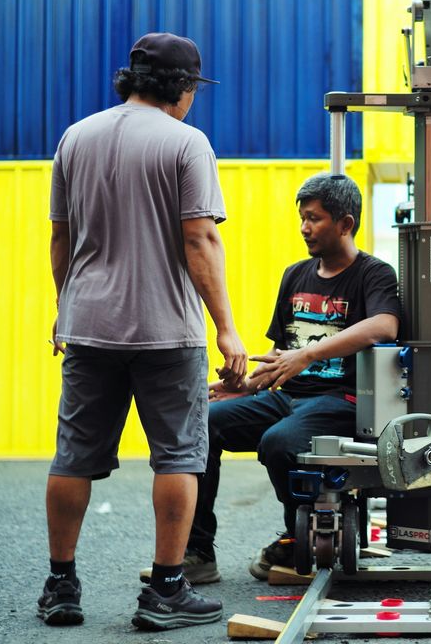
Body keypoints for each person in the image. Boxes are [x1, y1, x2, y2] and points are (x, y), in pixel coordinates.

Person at [41, 32, 247, 631]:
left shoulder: (76, 137)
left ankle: (61, 585)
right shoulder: (187, 144)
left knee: (74, 456)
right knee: (179, 457)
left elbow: (61, 237)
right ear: (181, 88)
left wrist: (66, 304)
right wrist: (227, 329)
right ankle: (166, 590)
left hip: (89, 326)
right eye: (192, 90)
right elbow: (200, 238)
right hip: (166, 330)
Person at [176, 173, 401, 584]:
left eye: (314, 219)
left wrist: (309, 354)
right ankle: (197, 552)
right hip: (288, 398)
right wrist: (245, 385)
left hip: (341, 401)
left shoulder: (374, 274)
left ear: (345, 223)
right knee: (203, 423)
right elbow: (283, 356)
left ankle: (301, 538)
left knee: (280, 442)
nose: (304, 228)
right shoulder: (295, 275)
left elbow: (385, 325)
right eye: (302, 218)